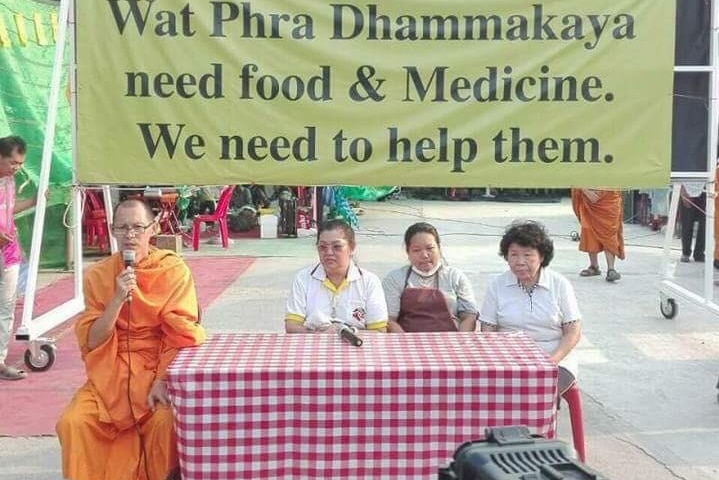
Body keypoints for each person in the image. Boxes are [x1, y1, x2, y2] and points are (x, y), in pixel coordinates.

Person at [56, 199, 206, 480]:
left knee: (165, 422)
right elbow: (92, 340)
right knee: (73, 422)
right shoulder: (99, 275)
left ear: (154, 228)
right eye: (122, 228)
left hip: (155, 371)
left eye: (138, 227)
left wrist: (162, 380)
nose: (130, 235)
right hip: (110, 374)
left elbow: (181, 334)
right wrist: (116, 300)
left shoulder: (172, 271)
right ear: (112, 231)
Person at [480, 221, 582, 395]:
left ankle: (539, 423)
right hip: (508, 358)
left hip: (555, 357)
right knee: (488, 389)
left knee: (538, 390)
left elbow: (573, 331)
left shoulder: (559, 284)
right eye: (513, 255)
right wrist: (500, 359)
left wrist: (552, 360)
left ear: (541, 257)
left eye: (527, 255)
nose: (520, 262)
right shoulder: (496, 285)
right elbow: (488, 329)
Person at [285, 219, 388, 333]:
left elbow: (379, 330)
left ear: (351, 247)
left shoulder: (369, 282)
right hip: (314, 346)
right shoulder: (303, 279)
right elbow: (291, 326)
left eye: (337, 247)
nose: (328, 252)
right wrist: (321, 335)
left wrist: (346, 333)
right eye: (323, 247)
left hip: (356, 345)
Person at [383, 222, 478, 332]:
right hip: (407, 342)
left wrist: (460, 341)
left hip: (450, 342)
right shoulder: (395, 279)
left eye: (430, 248)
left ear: (439, 248)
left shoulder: (455, 277)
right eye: (416, 250)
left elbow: (469, 316)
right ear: (408, 253)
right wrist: (406, 343)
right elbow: (389, 320)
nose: (424, 255)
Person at [0, 136, 41, 381]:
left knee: (5, 308)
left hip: (9, 252)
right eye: (12, 162)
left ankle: (0, 360)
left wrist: (35, 201)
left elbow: (9, 209)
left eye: (20, 163)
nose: (16, 167)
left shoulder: (10, 181)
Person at [571, 188, 625, 282]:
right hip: (588, 199)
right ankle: (594, 266)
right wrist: (583, 187)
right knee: (589, 231)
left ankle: (611, 269)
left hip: (609, 199)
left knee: (609, 233)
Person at [679, 181, 706, 263]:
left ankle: (699, 253)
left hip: (706, 188)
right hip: (687, 187)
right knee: (687, 223)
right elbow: (679, 171)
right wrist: (682, 190)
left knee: (705, 225)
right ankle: (686, 252)